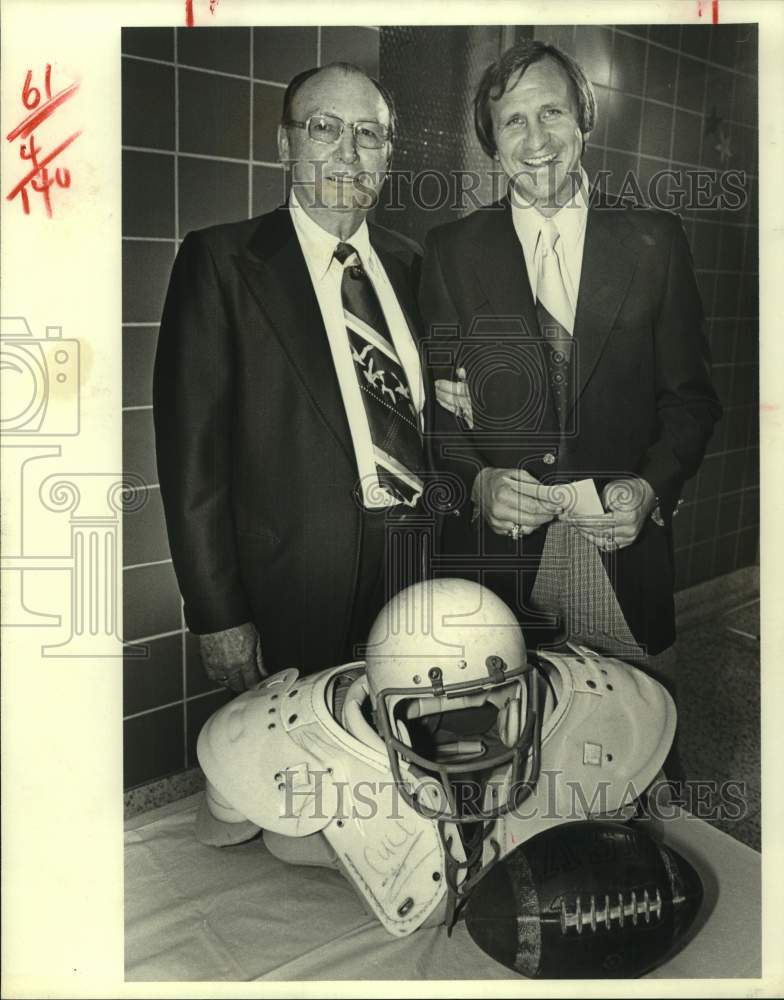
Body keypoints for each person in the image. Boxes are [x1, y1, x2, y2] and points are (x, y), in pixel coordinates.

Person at [418, 41, 721, 740]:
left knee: (633, 752)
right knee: (499, 749)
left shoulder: (654, 241)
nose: (536, 140)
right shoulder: (452, 251)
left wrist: (652, 487)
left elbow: (691, 399)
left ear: (585, 119)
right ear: (493, 145)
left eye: (551, 111)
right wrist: (478, 482)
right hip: (498, 565)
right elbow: (437, 409)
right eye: (514, 121)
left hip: (622, 548)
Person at [153, 63, 428, 693]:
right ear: (286, 144)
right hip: (290, 590)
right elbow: (191, 461)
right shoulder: (221, 262)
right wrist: (217, 614)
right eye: (325, 128)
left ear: (387, 154)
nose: (348, 152)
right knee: (299, 769)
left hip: (418, 573)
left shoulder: (415, 264)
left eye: (368, 134)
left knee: (407, 747)